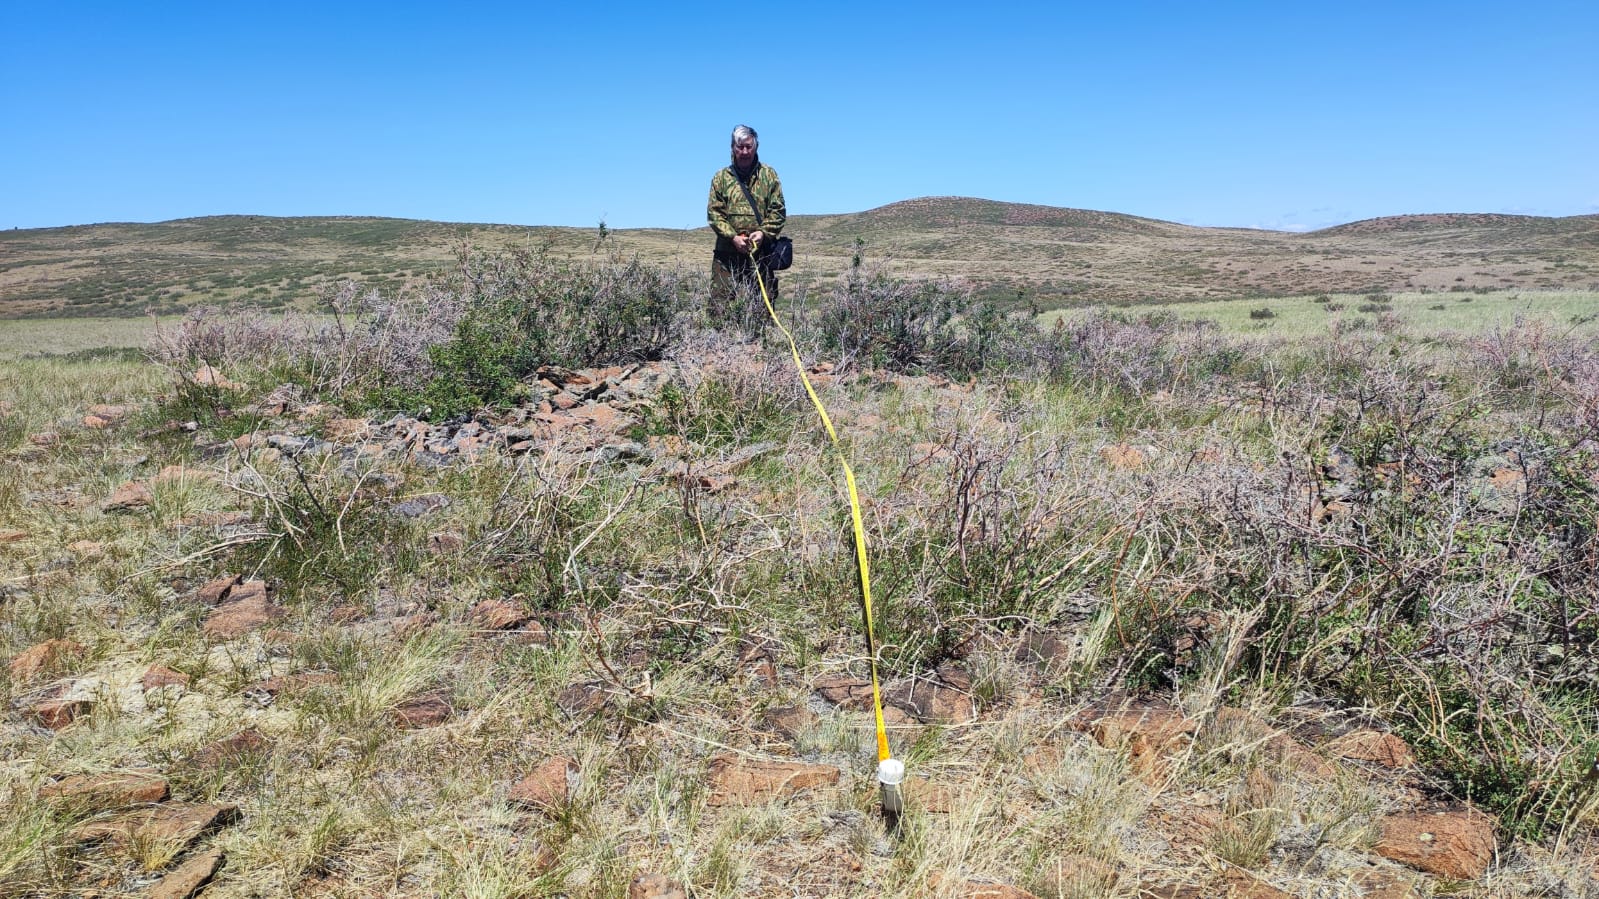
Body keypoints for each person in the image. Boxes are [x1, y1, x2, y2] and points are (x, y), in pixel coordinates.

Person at [707, 124, 787, 303]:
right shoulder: (721, 178)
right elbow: (714, 214)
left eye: (748, 146)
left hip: (761, 255)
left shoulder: (769, 175)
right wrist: (733, 237)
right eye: (740, 147)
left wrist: (763, 233)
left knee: (761, 309)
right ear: (732, 148)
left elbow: (778, 211)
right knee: (720, 308)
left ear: (756, 147)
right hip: (726, 256)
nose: (744, 151)